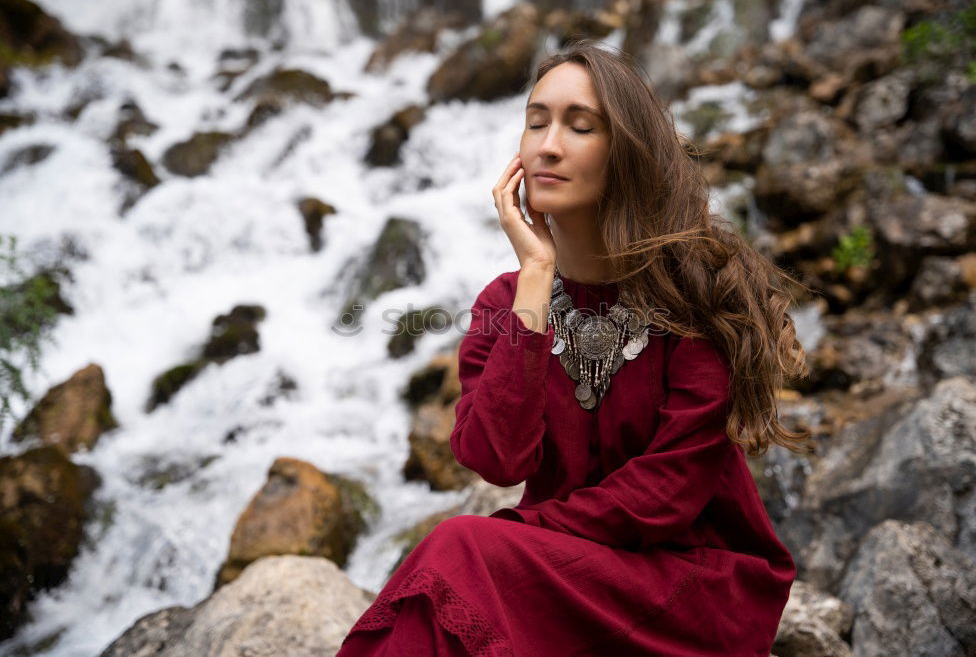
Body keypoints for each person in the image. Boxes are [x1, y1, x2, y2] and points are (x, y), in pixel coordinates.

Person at [337, 38, 810, 656]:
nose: (548, 146)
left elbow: (665, 496)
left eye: (579, 126)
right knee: (448, 586)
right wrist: (536, 275)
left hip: (689, 583)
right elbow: (496, 459)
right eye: (536, 123)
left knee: (459, 553)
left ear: (627, 154)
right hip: (559, 570)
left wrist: (512, 536)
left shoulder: (698, 294)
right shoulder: (505, 302)